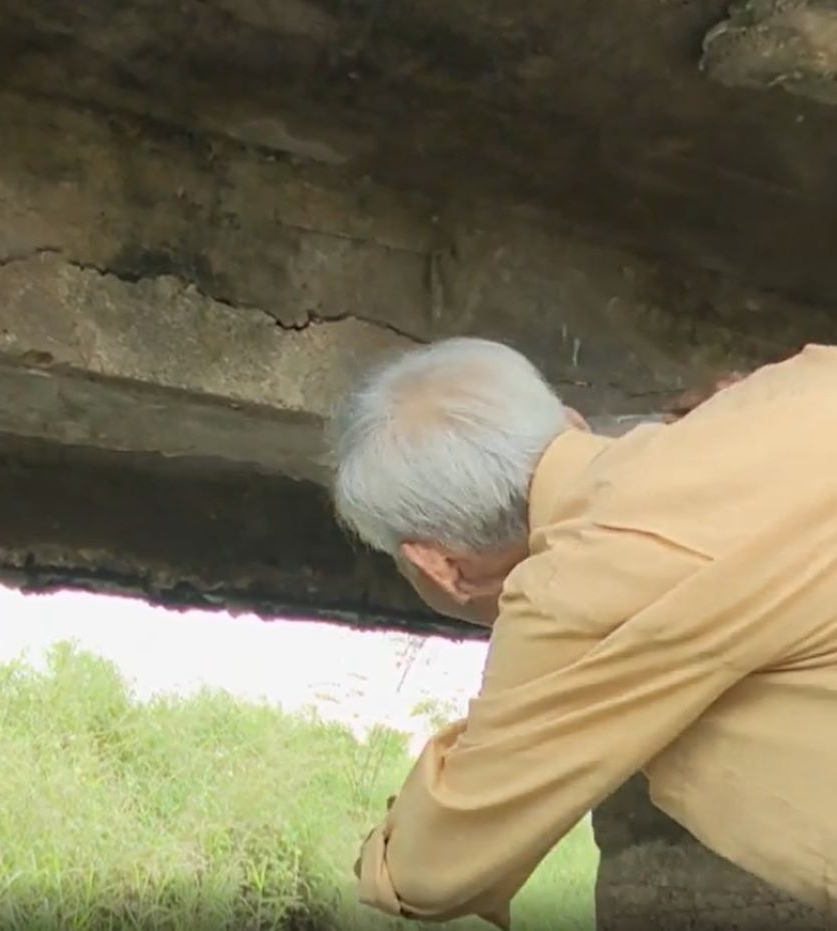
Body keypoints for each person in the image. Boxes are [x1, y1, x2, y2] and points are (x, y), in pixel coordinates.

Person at [328, 337, 837, 928]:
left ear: (437, 566)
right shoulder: (807, 377)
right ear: (570, 420)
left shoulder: (564, 596)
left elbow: (424, 875)